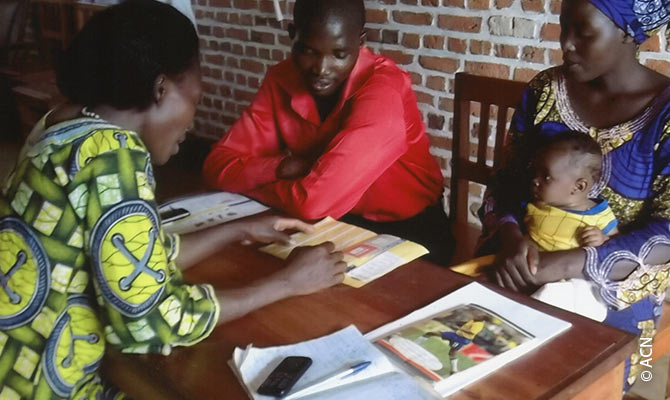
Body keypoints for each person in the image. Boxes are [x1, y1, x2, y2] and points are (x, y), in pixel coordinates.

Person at [0, 1, 345, 398]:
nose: (193, 121)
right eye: (196, 98)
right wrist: (287, 282)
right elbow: (151, 321)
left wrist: (238, 229)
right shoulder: (111, 155)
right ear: (161, 88)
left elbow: (132, 260)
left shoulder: (61, 123)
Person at [478, 0, 670, 389]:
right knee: (475, 358)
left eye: (583, 32)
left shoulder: (665, 114)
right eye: (564, 27)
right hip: (524, 261)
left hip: (617, 289)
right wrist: (512, 236)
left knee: (565, 380)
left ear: (627, 33)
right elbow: (507, 182)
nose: (565, 44)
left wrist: (566, 265)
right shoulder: (546, 89)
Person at [202, 0, 454, 265]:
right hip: (335, 225)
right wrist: (282, 167)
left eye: (340, 54)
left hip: (411, 232)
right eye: (309, 50)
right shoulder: (281, 78)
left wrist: (257, 182)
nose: (321, 69)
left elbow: (313, 202)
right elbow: (217, 167)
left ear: (361, 42)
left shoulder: (385, 91)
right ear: (292, 35)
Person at [524, 131, 617, 321]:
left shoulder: (598, 215)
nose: (535, 181)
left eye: (546, 177)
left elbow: (617, 245)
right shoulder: (537, 206)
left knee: (552, 297)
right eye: (536, 173)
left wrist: (602, 239)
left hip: (572, 283)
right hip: (535, 272)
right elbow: (527, 233)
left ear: (579, 187)